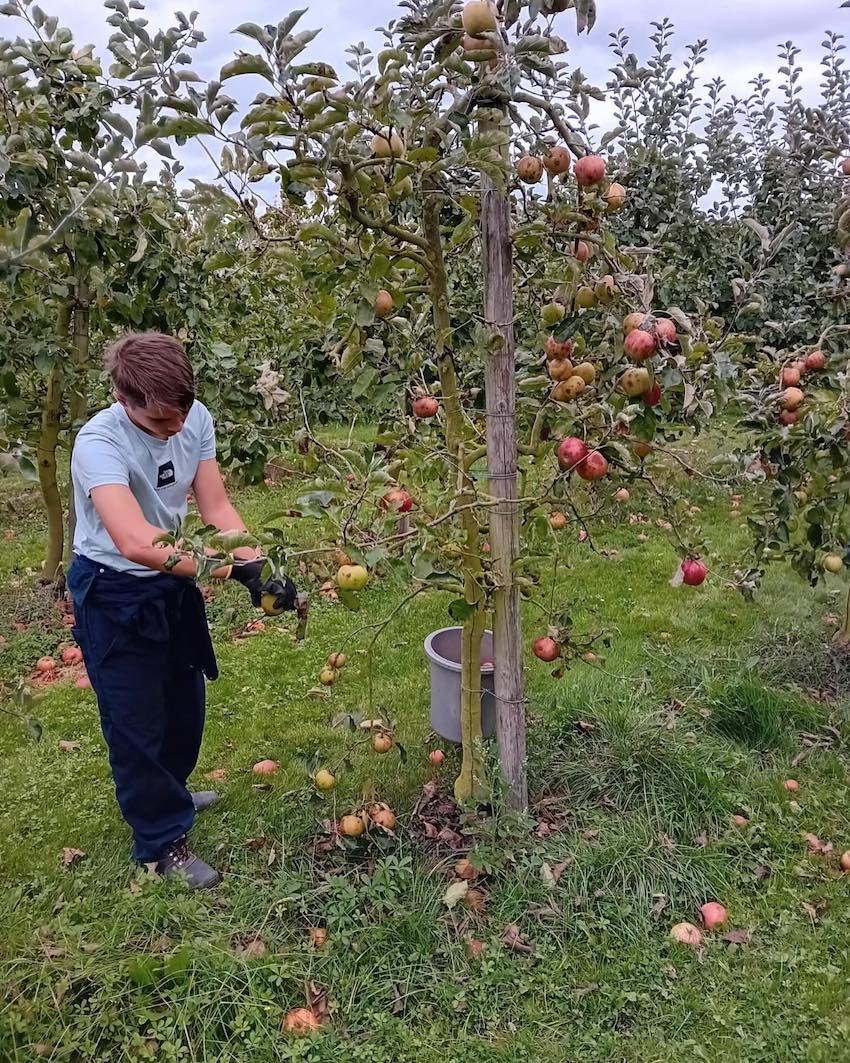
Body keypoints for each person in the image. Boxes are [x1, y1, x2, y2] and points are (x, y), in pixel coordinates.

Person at [67, 331, 296, 888]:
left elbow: (215, 505)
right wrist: (228, 570)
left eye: (181, 416)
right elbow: (136, 541)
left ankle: (169, 788)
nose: (175, 431)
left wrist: (258, 561)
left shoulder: (195, 419)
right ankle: (160, 841)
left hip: (172, 585)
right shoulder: (99, 444)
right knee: (135, 718)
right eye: (160, 423)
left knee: (183, 705)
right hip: (114, 590)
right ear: (125, 400)